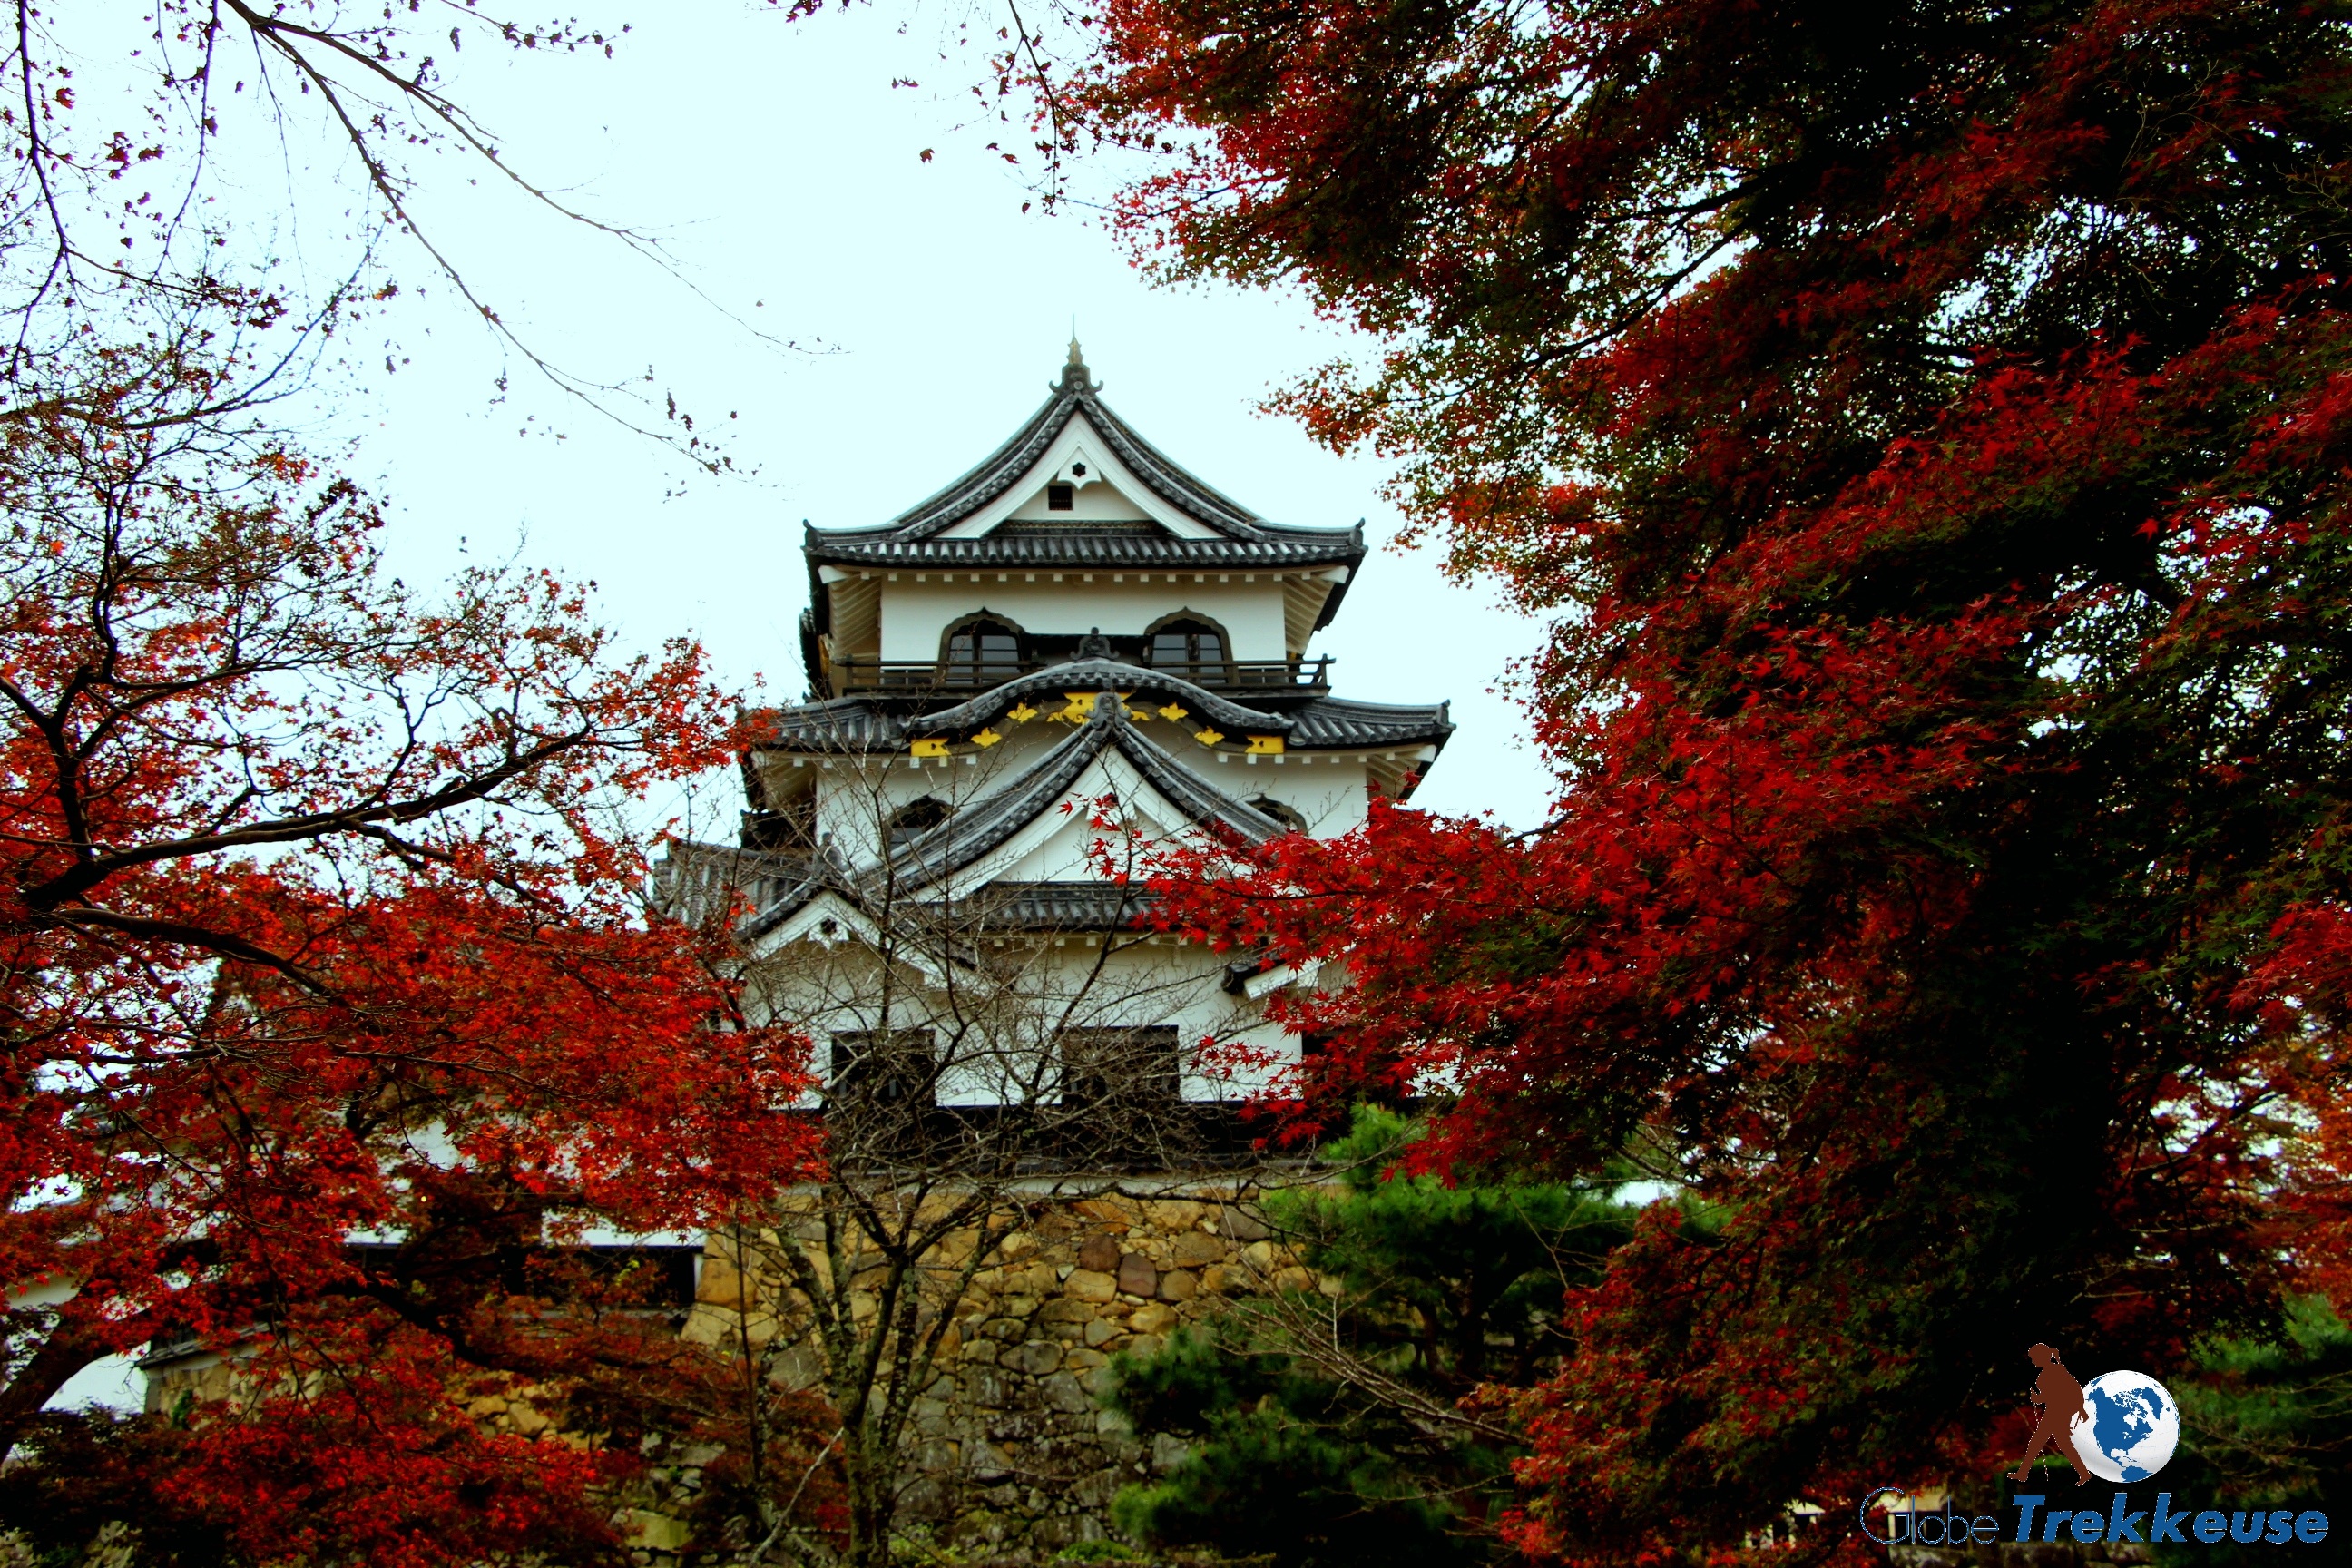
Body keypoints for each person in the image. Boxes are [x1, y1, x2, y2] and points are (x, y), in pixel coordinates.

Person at [2011, 1343, 2093, 1486]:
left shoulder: (2054, 1371)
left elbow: (2057, 1394)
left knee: (2047, 1443)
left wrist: (2038, 1398)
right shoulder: (2052, 1371)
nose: (2032, 1361)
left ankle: (2024, 1472)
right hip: (2055, 1411)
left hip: (2058, 1412)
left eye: (2034, 1358)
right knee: (2051, 1443)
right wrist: (2039, 1398)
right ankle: (2083, 1473)